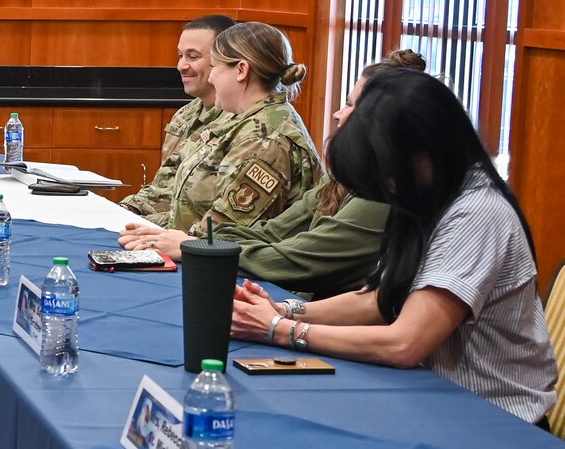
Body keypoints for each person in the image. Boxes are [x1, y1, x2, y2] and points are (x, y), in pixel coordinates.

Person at [231, 67, 558, 421]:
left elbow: (405, 343)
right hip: (429, 399)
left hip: (492, 419)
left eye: (384, 173)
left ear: (420, 151)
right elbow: (381, 299)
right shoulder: (430, 195)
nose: (385, 187)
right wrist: (286, 311)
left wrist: (282, 331)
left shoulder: (476, 213)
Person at [118, 50, 427, 298]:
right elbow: (273, 231)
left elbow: (298, 260)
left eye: (351, 106)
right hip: (293, 296)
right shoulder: (347, 177)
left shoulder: (383, 194)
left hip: (320, 313)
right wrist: (194, 241)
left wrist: (195, 247)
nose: (338, 113)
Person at [143, 22, 320, 234]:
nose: (210, 77)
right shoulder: (246, 121)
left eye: (215, 67)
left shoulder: (265, 139)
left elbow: (226, 231)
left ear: (241, 70)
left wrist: (169, 240)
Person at [120, 14, 235, 215]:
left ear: (223, 61)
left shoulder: (241, 121)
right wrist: (128, 210)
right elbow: (166, 187)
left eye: (193, 56)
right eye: (180, 55)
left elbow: (214, 216)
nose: (181, 66)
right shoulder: (186, 114)